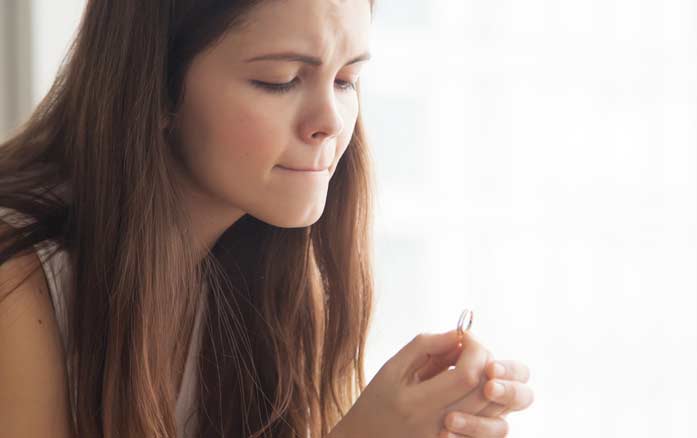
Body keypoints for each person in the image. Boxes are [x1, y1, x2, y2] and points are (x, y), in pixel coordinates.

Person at [0, 0, 534, 437]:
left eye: (347, 80)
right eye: (280, 80)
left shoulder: (276, 270)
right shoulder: (18, 280)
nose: (330, 122)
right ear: (156, 88)